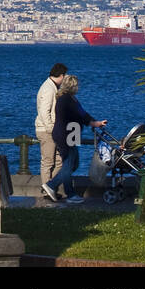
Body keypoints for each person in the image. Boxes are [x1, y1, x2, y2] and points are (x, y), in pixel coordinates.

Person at [42, 75, 107, 204]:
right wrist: (95, 123)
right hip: (66, 135)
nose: (78, 87)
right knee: (69, 163)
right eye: (77, 85)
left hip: (72, 133)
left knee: (72, 164)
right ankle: (61, 190)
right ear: (72, 86)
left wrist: (94, 121)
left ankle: (57, 187)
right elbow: (81, 116)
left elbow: (83, 114)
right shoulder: (67, 100)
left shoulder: (69, 99)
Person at [35, 62, 67, 195]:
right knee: (48, 161)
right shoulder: (48, 89)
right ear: (61, 75)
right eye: (64, 77)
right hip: (46, 130)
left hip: (52, 129)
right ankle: (47, 189)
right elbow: (44, 111)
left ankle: (50, 187)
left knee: (59, 161)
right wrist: (50, 128)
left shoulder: (51, 86)